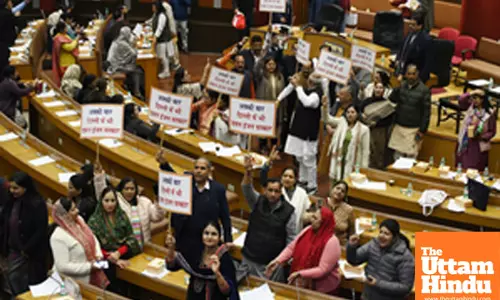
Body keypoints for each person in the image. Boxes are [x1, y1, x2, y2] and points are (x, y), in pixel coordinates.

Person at [159, 157, 232, 269]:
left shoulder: (218, 190)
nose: (198, 171)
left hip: (206, 239)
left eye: (202, 168)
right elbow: (174, 178)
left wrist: (228, 239)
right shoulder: (187, 183)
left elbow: (225, 216)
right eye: (196, 168)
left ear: (209, 171)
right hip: (185, 236)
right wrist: (164, 164)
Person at [239, 156, 296, 280]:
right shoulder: (257, 200)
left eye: (276, 191)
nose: (273, 194)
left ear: (281, 192)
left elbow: (291, 240)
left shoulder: (289, 211)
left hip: (270, 264)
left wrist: (281, 261)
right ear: (265, 190)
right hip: (250, 257)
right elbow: (246, 188)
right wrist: (248, 172)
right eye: (270, 190)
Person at [266, 206, 340, 294]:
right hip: (301, 282)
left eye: (315, 218)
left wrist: (301, 273)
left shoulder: (332, 242)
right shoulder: (308, 230)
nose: (311, 220)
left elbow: (322, 269)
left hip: (321, 289)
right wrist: (278, 260)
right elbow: (291, 248)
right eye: (312, 216)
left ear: (323, 222)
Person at [0, 172, 48, 296]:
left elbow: (41, 230)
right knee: (11, 282)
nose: (12, 191)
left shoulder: (37, 203)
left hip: (29, 254)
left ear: (25, 187)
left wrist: (26, 250)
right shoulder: (10, 202)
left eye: (16, 188)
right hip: (12, 251)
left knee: (25, 287)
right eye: (11, 187)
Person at [165, 221, 239, 300]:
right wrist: (171, 248)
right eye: (206, 233)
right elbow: (171, 266)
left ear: (219, 237)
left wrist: (217, 273)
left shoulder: (224, 257)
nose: (209, 237)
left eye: (214, 234)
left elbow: (227, 291)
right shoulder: (196, 251)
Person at [87, 185, 141, 293]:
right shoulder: (94, 221)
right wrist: (111, 257)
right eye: (106, 200)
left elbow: (131, 238)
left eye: (113, 200)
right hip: (103, 258)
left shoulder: (122, 215)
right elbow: (93, 245)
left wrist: (118, 253)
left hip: (122, 254)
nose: (110, 204)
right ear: (101, 201)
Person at [277, 68, 322, 194]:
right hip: (298, 130)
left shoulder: (316, 95)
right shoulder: (307, 89)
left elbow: (306, 102)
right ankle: (303, 180)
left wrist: (298, 87)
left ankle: (312, 185)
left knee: (309, 159)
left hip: (308, 133)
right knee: (300, 157)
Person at [347, 219, 415, 300]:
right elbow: (354, 260)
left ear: (395, 237)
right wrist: (351, 246)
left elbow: (405, 287)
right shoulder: (373, 245)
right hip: (368, 296)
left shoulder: (405, 257)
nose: (381, 236)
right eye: (381, 232)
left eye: (386, 234)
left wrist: (378, 283)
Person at [50, 197, 109, 287]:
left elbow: (92, 237)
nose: (77, 211)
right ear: (64, 215)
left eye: (76, 207)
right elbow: (62, 267)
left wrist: (98, 255)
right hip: (74, 283)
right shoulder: (58, 236)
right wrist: (90, 267)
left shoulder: (80, 221)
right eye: (73, 210)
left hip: (93, 273)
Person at [95, 172, 165, 246]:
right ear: (121, 189)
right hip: (124, 247)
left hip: (145, 245)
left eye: (132, 189)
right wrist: (99, 177)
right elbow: (102, 196)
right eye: (126, 189)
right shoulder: (116, 201)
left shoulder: (145, 202)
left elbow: (157, 217)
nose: (129, 191)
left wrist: (159, 202)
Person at [260, 146, 311, 233]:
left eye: (291, 177)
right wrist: (270, 161)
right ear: (281, 177)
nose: (287, 179)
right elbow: (263, 179)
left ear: (295, 180)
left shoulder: (302, 193)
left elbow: (307, 211)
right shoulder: (276, 190)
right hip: (276, 232)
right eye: (285, 176)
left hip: (294, 232)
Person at [388, 64, 430, 160]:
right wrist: (397, 87)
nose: (411, 76)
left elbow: (426, 112)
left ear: (417, 74)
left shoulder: (424, 90)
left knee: (411, 157)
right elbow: (392, 99)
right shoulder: (401, 86)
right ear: (405, 75)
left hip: (414, 128)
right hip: (399, 125)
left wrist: (422, 130)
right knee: (397, 156)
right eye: (409, 74)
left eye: (413, 74)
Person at [323, 100, 370, 181]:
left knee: (348, 182)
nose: (350, 115)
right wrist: (325, 108)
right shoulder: (341, 122)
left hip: (353, 161)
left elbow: (365, 151)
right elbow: (327, 119)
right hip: (339, 157)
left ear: (357, 114)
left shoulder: (364, 129)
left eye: (352, 112)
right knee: (336, 180)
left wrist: (363, 169)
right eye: (348, 112)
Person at [456, 90, 497, 171]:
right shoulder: (470, 108)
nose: (474, 100)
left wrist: (481, 136)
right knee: (462, 167)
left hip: (478, 146)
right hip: (465, 142)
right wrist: (472, 92)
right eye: (473, 98)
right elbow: (461, 100)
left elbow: (492, 131)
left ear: (482, 100)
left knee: (474, 170)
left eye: (476, 98)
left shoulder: (489, 114)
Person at [360, 82, 395, 169]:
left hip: (380, 131)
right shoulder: (367, 101)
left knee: (378, 152)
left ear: (383, 90)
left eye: (381, 88)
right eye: (377, 87)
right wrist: (362, 116)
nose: (378, 90)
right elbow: (358, 111)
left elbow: (389, 120)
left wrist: (376, 123)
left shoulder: (386, 104)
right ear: (374, 89)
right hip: (366, 130)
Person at [254, 55, 285, 153]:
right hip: (264, 107)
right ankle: (263, 147)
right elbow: (256, 69)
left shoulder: (280, 76)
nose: (271, 66)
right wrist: (262, 57)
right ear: (265, 65)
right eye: (269, 64)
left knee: (275, 129)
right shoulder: (261, 75)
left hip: (277, 108)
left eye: (273, 64)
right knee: (264, 127)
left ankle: (273, 148)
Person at [107, 26, 145, 100]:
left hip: (115, 64)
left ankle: (136, 89)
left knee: (137, 68)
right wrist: (134, 45)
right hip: (116, 67)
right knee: (137, 70)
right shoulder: (122, 44)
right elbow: (134, 53)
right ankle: (137, 92)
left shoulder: (117, 40)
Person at [395, 12, 431, 84]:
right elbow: (402, 47)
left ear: (420, 26)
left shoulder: (425, 40)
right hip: (401, 67)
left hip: (413, 73)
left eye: (413, 25)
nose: (410, 26)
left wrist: (403, 73)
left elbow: (419, 60)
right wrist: (398, 59)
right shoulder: (410, 33)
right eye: (410, 24)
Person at [325, 180, 354, 246]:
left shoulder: (348, 210)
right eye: (337, 188)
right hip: (321, 241)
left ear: (345, 195)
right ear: (332, 189)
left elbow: (352, 231)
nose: (339, 192)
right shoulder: (321, 202)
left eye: (342, 191)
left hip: (339, 244)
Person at [52, 21, 79, 86]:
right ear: (61, 29)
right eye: (65, 28)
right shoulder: (58, 38)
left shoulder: (65, 35)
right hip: (65, 63)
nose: (67, 29)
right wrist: (76, 41)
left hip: (70, 60)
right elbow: (69, 47)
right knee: (67, 81)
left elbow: (71, 42)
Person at [151, 0, 173, 79]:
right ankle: (165, 70)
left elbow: (160, 28)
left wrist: (155, 37)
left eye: (153, 7)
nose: (152, 8)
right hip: (161, 39)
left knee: (163, 56)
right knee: (162, 55)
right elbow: (152, 21)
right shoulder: (156, 14)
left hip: (164, 39)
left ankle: (166, 72)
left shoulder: (162, 16)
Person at [0, 0, 16, 74]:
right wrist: (16, 16)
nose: (12, 4)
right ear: (7, 3)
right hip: (7, 41)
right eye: (10, 2)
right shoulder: (8, 14)